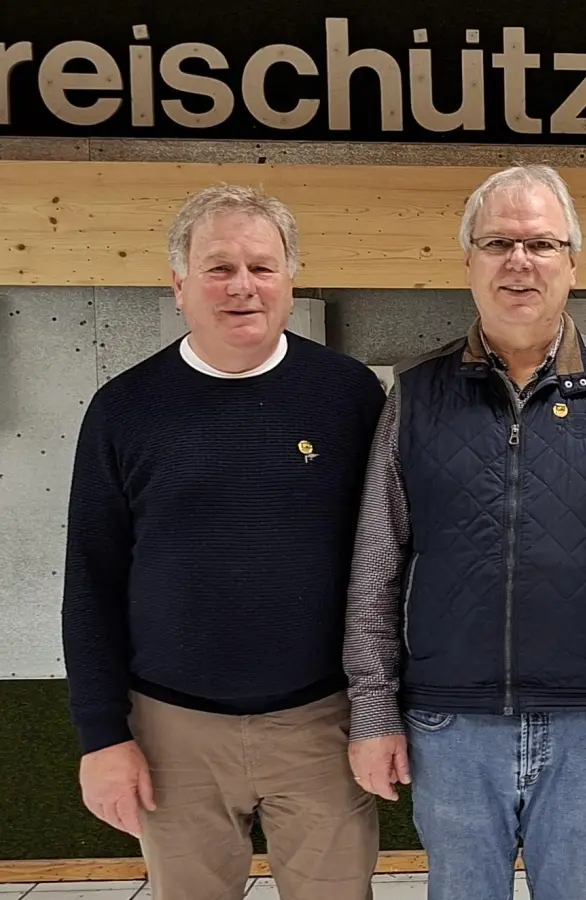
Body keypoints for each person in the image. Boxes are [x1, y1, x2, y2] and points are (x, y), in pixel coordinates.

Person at [341, 163, 586, 900]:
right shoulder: (413, 396)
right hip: (448, 724)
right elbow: (377, 566)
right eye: (498, 242)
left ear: (572, 261)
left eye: (540, 243)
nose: (519, 261)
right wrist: (372, 708)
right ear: (469, 262)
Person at [61, 185, 385, 900]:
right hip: (173, 734)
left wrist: (382, 710)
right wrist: (101, 738)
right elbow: (91, 581)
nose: (243, 286)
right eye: (218, 268)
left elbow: (391, 564)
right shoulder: (123, 409)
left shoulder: (349, 396)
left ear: (290, 280)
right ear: (178, 286)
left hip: (321, 727)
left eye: (262, 267)